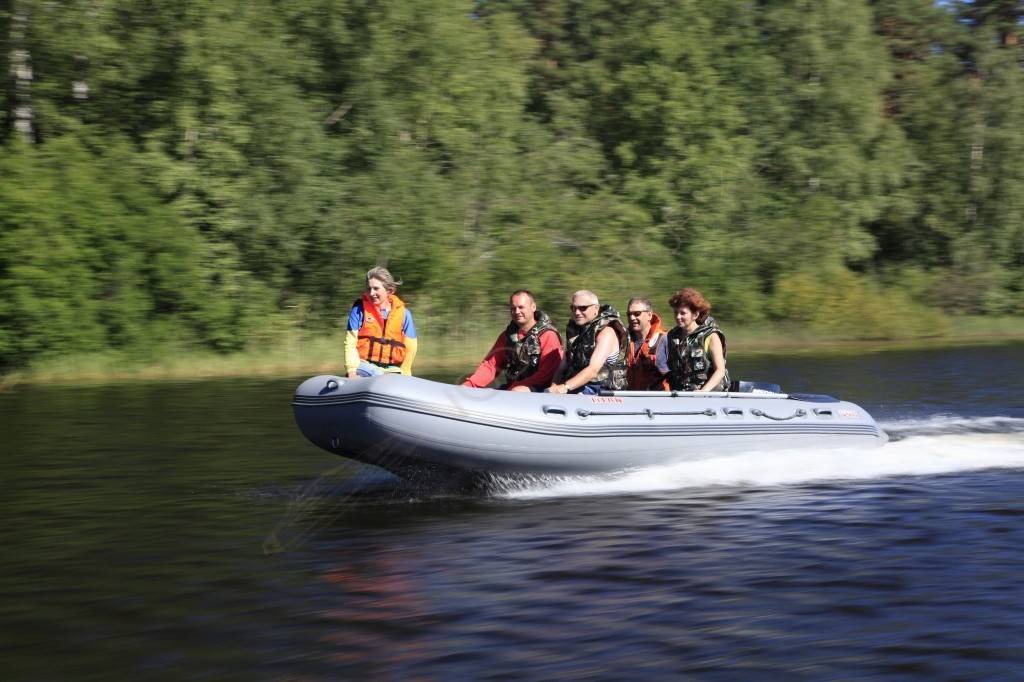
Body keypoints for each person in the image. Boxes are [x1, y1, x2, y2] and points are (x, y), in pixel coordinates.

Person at [462, 290, 564, 392]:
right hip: (514, 389)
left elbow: (548, 373)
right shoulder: (508, 336)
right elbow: (491, 366)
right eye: (513, 308)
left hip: (542, 389)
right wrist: (468, 386)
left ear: (533, 307)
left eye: (521, 307)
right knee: (487, 393)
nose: (517, 312)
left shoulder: (548, 335)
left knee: (517, 391)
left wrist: (515, 388)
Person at [547, 290, 628, 394]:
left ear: (596, 308)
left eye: (583, 308)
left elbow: (593, 370)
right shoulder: (575, 332)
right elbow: (563, 367)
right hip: (577, 386)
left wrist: (565, 387)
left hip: (603, 391)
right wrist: (553, 389)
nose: (577, 312)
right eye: (573, 308)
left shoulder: (607, 331)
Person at [344, 267, 418, 378]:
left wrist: (406, 375)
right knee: (377, 375)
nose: (371, 293)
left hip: (392, 370)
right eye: (368, 289)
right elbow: (350, 343)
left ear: (389, 290)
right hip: (363, 367)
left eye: (376, 289)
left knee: (387, 378)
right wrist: (351, 370)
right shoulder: (358, 310)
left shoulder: (405, 314)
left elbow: (411, 348)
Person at [656, 287, 729, 392]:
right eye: (676, 312)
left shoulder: (710, 336)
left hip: (709, 395)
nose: (678, 316)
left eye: (683, 313)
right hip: (681, 394)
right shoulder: (672, 336)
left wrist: (703, 392)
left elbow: (720, 371)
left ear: (695, 315)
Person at [624, 296, 669, 390]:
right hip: (631, 396)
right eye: (629, 314)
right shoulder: (625, 340)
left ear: (649, 315)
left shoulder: (664, 339)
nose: (632, 318)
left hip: (657, 397)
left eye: (637, 313)